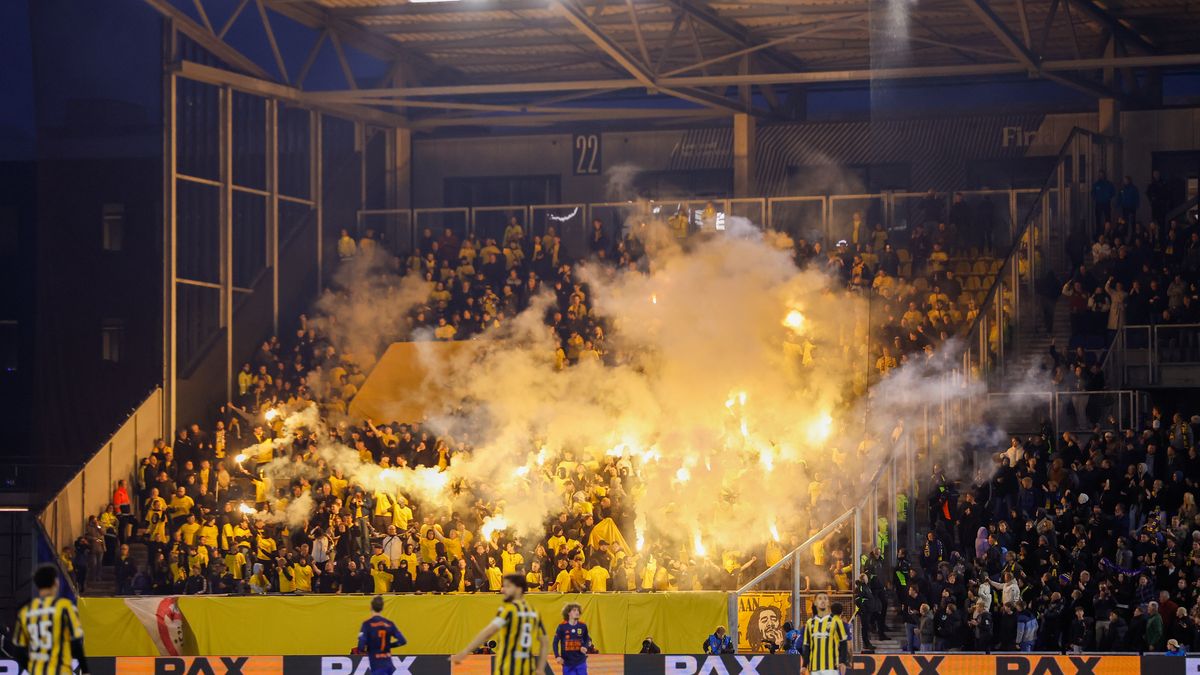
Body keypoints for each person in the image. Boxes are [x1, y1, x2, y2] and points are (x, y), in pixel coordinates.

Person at [451, 574, 548, 675]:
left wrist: (465, 652)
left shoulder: (508, 611)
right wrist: (540, 668)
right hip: (527, 668)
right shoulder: (533, 612)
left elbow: (487, 633)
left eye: (508, 587)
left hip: (507, 668)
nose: (504, 590)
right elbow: (544, 642)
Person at [13, 565, 89, 675]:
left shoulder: (25, 612)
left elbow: (19, 651)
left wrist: (32, 669)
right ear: (55, 583)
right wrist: (85, 670)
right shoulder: (64, 607)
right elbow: (76, 642)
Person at [357, 595, 407, 675]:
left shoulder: (367, 624)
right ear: (382, 608)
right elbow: (402, 641)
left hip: (377, 665)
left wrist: (368, 648)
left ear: (371, 607)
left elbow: (361, 647)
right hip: (389, 664)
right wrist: (389, 645)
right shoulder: (389, 624)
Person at [801, 592, 847, 675]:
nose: (823, 601)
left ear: (828, 602)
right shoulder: (809, 623)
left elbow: (843, 643)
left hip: (831, 668)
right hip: (814, 668)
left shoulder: (836, 621)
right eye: (820, 598)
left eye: (825, 598)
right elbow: (806, 646)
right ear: (815, 602)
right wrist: (804, 665)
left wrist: (842, 661)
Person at [553, 603, 592, 675]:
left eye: (578, 610)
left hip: (581, 661)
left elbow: (587, 638)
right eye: (574, 610)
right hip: (567, 662)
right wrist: (557, 656)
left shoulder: (583, 626)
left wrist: (585, 646)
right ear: (568, 613)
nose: (577, 612)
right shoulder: (562, 626)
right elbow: (555, 643)